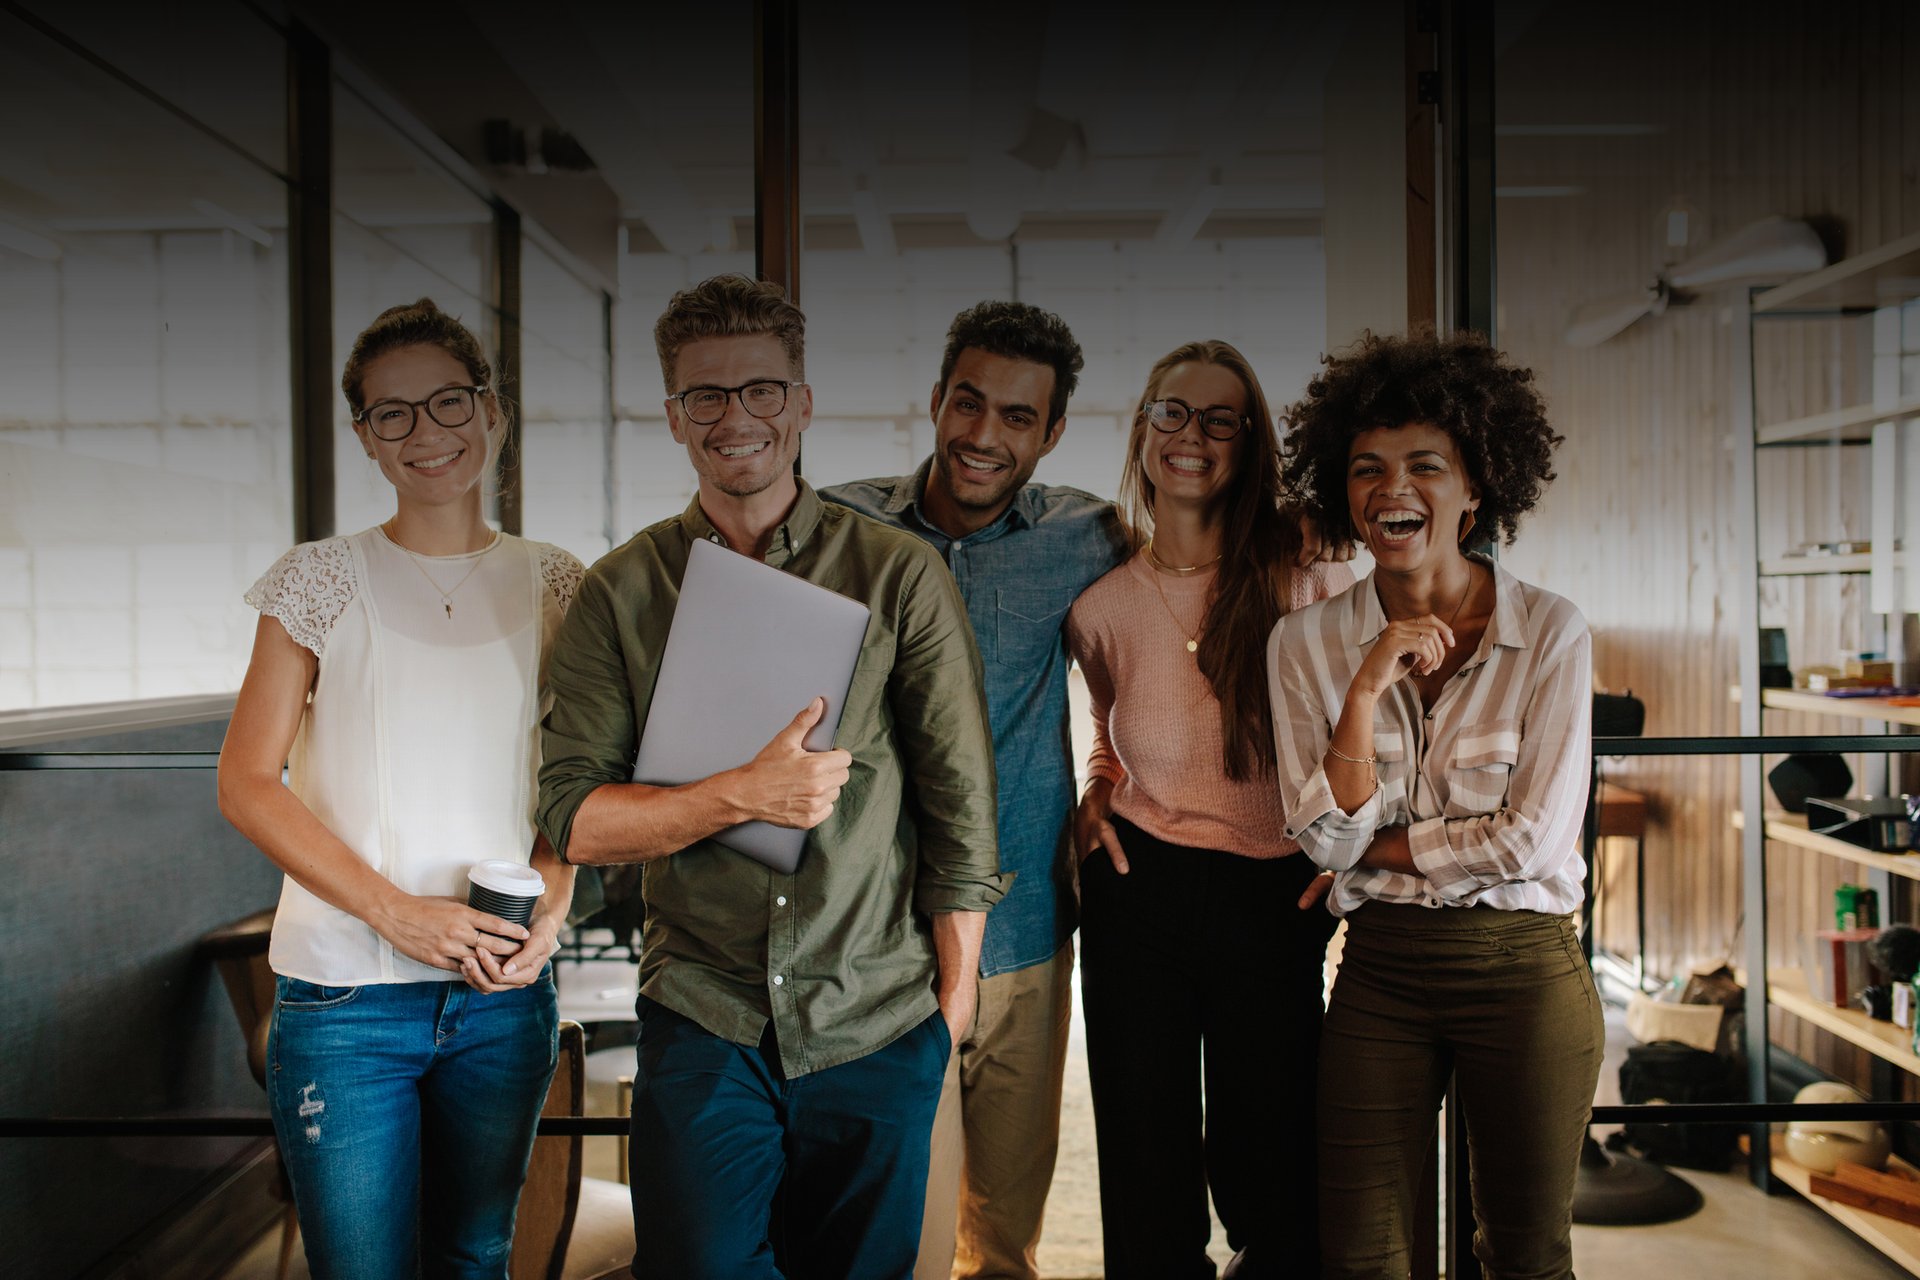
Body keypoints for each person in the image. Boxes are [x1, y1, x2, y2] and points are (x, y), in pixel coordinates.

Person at [535, 274, 1006, 1280]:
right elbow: (573, 815)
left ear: (800, 401)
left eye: (761, 389)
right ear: (672, 416)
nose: (735, 416)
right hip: (706, 1015)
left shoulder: (896, 573)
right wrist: (739, 794)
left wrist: (947, 1014)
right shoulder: (621, 591)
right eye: (705, 395)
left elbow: (961, 810)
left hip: (876, 1015)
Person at [217, 299, 580, 1280]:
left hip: (500, 996)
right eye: (393, 414)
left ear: (491, 412)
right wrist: (396, 912)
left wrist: (557, 890)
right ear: (366, 438)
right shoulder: (317, 580)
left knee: (474, 1255)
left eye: (448, 402)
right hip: (344, 998)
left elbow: (580, 774)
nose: (427, 433)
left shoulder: (555, 582)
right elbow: (247, 782)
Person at [1268, 329, 1599, 1280]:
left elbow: (1532, 841)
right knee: (1361, 1254)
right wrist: (1366, 685)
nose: (1390, 489)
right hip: (1381, 973)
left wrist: (1379, 848)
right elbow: (1329, 843)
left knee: (1526, 1254)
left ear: (1477, 485)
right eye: (1366, 469)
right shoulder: (1305, 646)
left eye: (1424, 465)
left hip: (1526, 969)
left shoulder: (1551, 632)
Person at [824, 301, 1130, 1280]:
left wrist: (1112, 772)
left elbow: (1173, 642)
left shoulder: (1091, 535)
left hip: (1022, 925)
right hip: (871, 935)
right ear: (936, 400)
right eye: (968, 403)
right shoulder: (836, 525)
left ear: (1051, 430)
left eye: (1014, 416)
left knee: (999, 1232)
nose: (983, 435)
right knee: (878, 1226)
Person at [1065, 340, 1350, 1280]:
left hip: (1276, 894)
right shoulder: (1101, 605)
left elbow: (1363, 720)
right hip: (1137, 889)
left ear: (1249, 440)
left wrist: (1354, 847)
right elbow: (1112, 726)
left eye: (1220, 418)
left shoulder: (1305, 571)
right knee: (1144, 1171)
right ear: (1144, 430)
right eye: (1172, 413)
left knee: (1274, 1170)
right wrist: (1095, 788)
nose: (1193, 436)